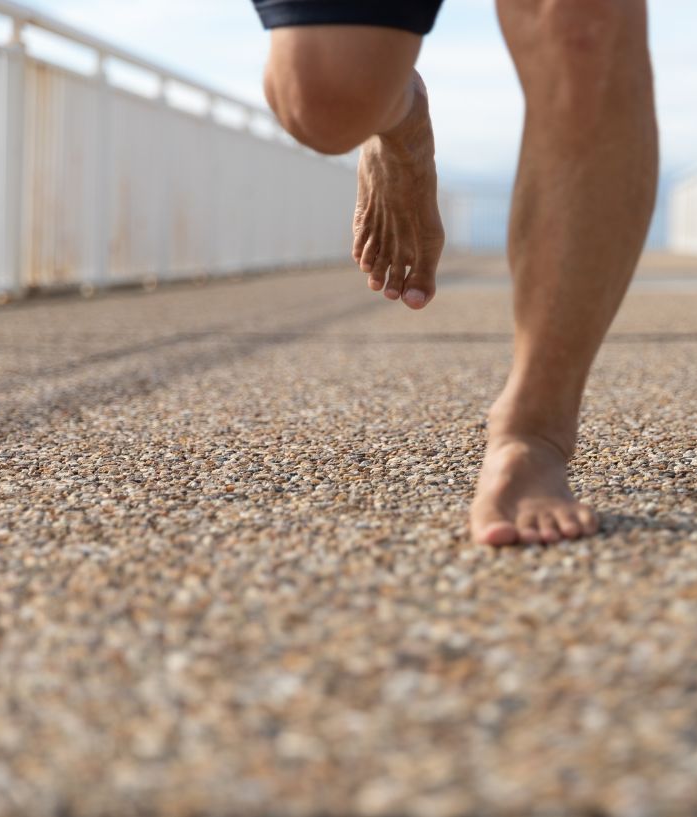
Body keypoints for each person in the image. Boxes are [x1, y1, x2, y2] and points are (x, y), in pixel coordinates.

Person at [253, 0, 658, 545]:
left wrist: (533, 433)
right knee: (324, 100)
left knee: (583, 32)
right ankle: (398, 115)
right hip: (345, 101)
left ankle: (534, 431)